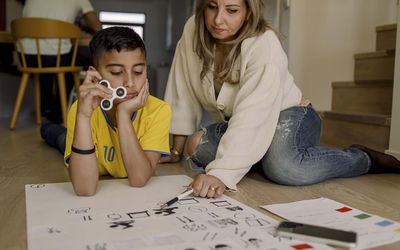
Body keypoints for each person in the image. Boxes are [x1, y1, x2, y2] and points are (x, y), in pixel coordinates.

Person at [161, 0, 400, 198]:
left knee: (285, 168)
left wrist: (222, 173)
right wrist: (175, 151)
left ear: (248, 11)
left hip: (292, 114)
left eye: (231, 10)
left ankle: (363, 158)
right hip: (244, 121)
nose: (218, 20)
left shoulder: (264, 43)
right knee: (195, 147)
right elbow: (181, 87)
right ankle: (258, 155)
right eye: (212, 7)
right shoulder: (194, 29)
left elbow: (253, 114)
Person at [42, 27, 171, 196]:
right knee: (58, 137)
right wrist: (83, 116)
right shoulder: (81, 110)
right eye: (117, 72)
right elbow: (84, 189)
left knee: (63, 137)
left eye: (138, 71)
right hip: (83, 145)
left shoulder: (159, 110)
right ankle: (47, 128)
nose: (130, 83)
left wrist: (123, 114)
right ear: (95, 76)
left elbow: (139, 179)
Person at [21, 0, 102, 123]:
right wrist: (84, 28)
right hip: (56, 56)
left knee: (44, 63)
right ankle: (59, 112)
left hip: (27, 56)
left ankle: (46, 106)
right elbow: (98, 28)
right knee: (71, 65)